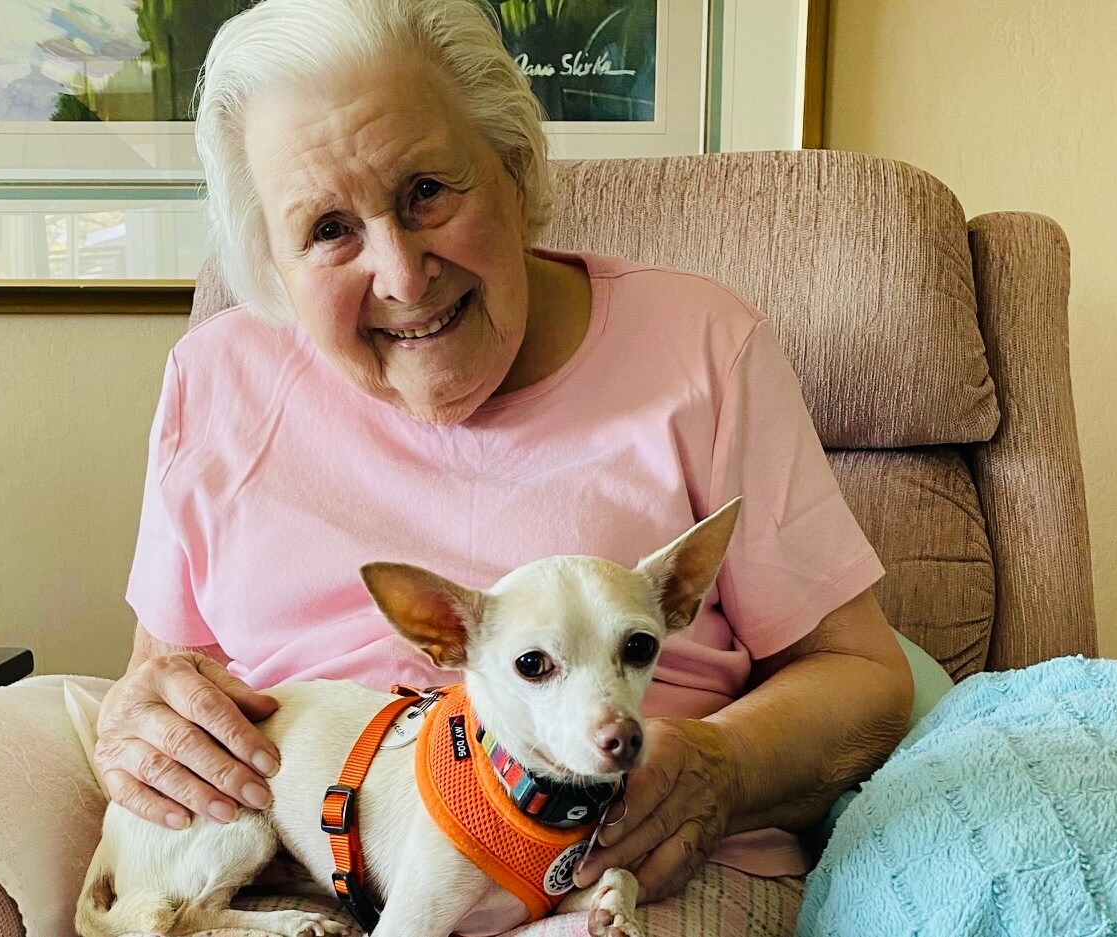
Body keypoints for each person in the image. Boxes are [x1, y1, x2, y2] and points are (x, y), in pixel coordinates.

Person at [94, 0, 913, 908]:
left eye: (427, 192)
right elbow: (163, 680)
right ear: (273, 263)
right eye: (329, 230)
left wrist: (721, 762)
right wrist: (141, 723)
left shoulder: (700, 347)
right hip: (295, 874)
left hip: (620, 864)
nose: (403, 276)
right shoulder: (215, 378)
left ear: (514, 171)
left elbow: (864, 678)